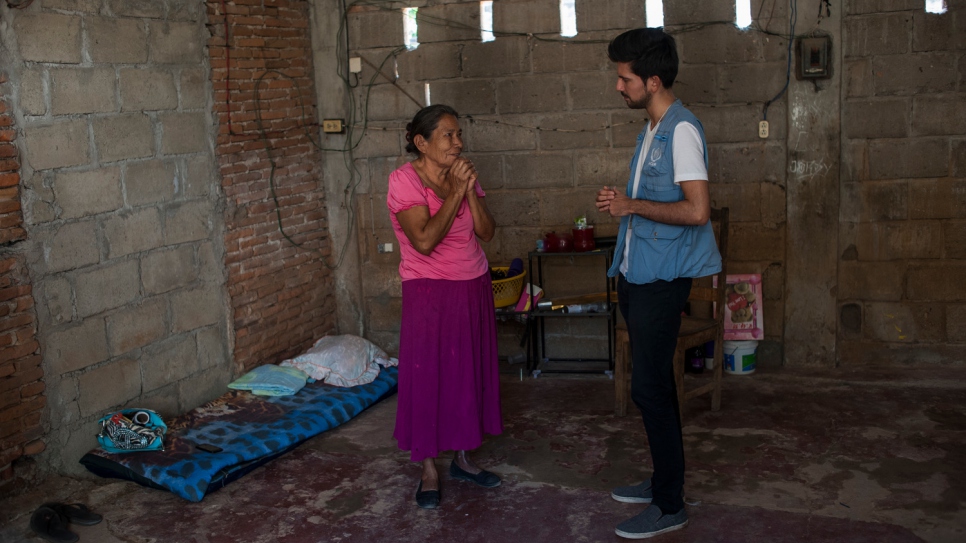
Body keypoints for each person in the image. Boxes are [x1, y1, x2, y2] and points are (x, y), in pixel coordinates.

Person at [595, 28, 722, 539]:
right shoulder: (653, 128)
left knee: (650, 389)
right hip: (638, 275)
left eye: (624, 79)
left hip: (662, 282)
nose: (618, 87)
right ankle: (663, 481)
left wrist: (630, 205)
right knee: (654, 388)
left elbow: (697, 210)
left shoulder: (682, 131)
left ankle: (671, 505)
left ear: (652, 80)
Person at [387, 104, 503, 510]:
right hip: (429, 293)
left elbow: (487, 232)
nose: (458, 142)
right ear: (421, 143)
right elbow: (423, 240)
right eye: (448, 135)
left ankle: (463, 459)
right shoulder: (404, 181)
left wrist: (469, 190)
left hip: (472, 286)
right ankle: (429, 469)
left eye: (459, 134)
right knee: (429, 377)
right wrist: (455, 192)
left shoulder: (463, 177)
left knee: (467, 375)